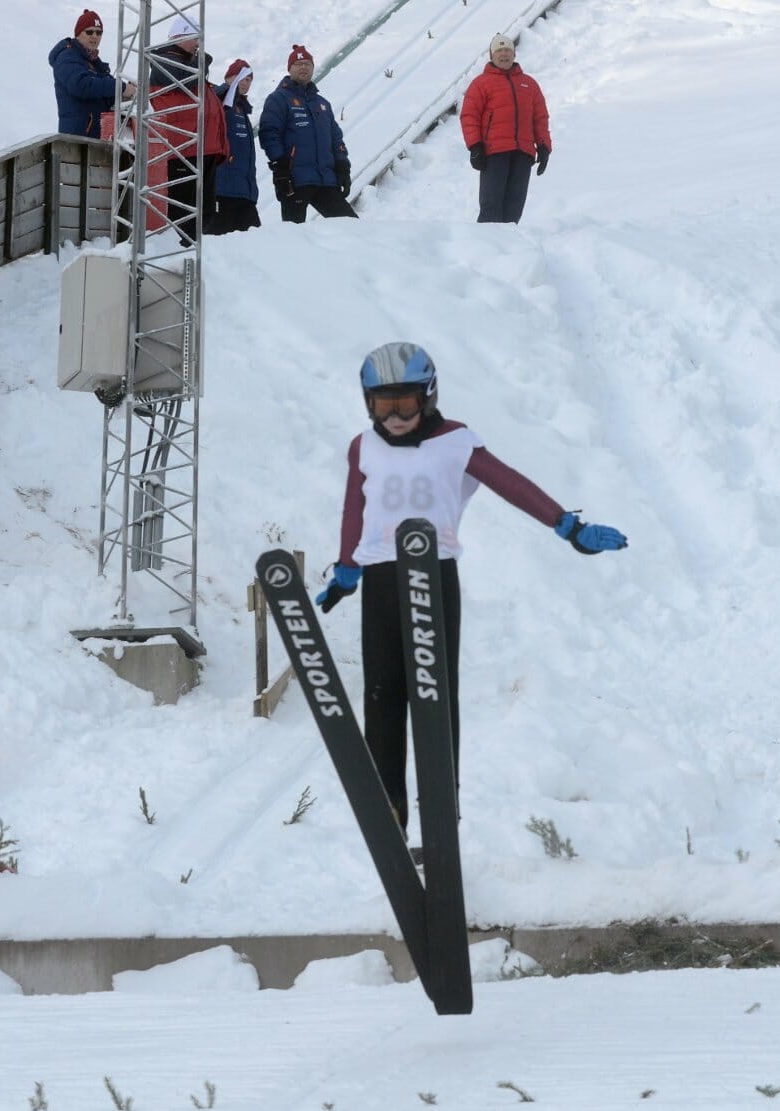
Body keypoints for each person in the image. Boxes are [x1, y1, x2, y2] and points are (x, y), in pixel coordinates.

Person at [312, 344, 627, 837]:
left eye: (406, 403)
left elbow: (510, 484)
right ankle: (388, 803)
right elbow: (356, 507)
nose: (394, 417)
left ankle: (442, 801)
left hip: (432, 574)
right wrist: (347, 568)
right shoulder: (363, 447)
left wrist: (566, 525)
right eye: (382, 404)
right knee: (382, 693)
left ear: (430, 396)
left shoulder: (456, 442)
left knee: (433, 693)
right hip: (379, 579)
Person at [143, 15, 230, 246]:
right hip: (183, 149)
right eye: (195, 38)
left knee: (204, 211)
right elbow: (186, 79)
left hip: (203, 149)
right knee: (184, 213)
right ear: (180, 37)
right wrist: (203, 60)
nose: (198, 45)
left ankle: (197, 252)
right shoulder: (165, 60)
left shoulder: (189, 62)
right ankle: (181, 254)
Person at [460, 34, 554, 225]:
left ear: (514, 54)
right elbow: (469, 115)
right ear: (492, 56)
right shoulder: (481, 83)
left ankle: (508, 250)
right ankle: (485, 247)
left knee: (514, 206)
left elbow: (540, 118)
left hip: (523, 153)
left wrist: (544, 147)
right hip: (495, 152)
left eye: (507, 50)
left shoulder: (529, 84)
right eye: (499, 51)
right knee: (491, 205)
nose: (504, 54)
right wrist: (475, 146)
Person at [260, 44, 357, 223]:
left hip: (325, 179)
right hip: (294, 179)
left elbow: (336, 137)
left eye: (307, 63)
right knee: (294, 235)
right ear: (289, 68)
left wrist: (343, 166)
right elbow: (269, 133)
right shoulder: (279, 98)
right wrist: (280, 165)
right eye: (298, 64)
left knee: (350, 225)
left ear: (313, 67)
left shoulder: (323, 104)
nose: (303, 67)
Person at [207, 60, 261, 234]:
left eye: (249, 80)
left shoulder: (242, 109)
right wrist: (224, 90)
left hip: (244, 190)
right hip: (223, 187)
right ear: (229, 77)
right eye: (242, 78)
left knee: (254, 240)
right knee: (217, 239)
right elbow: (210, 104)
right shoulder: (219, 99)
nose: (246, 83)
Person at [52, 9, 120, 138]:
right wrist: (120, 87)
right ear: (78, 34)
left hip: (95, 141)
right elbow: (81, 85)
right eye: (89, 32)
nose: (95, 36)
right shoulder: (66, 57)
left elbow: (105, 93)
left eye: (99, 33)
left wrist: (129, 91)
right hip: (75, 144)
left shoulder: (95, 63)